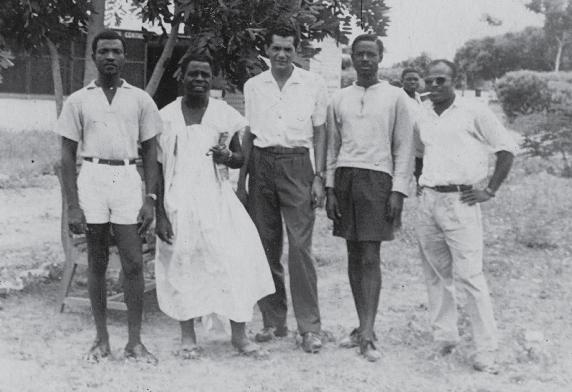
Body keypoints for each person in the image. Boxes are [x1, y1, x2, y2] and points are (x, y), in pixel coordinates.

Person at [154, 52, 275, 359]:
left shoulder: (222, 114)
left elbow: (238, 158)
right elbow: (155, 168)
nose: (199, 80)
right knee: (183, 263)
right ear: (182, 76)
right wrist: (160, 214)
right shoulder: (165, 116)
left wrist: (228, 158)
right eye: (193, 74)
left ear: (212, 79)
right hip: (178, 199)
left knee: (233, 261)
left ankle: (239, 335)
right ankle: (187, 336)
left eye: (205, 75)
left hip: (217, 200)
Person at [56, 30, 162, 364]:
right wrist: (73, 205)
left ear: (125, 56)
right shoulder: (78, 100)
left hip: (128, 177)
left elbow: (151, 152)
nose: (111, 57)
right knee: (97, 263)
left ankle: (134, 342)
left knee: (133, 262)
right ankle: (101, 339)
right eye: (104, 51)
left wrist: (151, 198)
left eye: (116, 51)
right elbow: (66, 157)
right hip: (93, 178)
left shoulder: (141, 99)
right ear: (94, 56)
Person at [415, 59, 517, 373]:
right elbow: (422, 154)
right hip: (429, 199)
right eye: (430, 81)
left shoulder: (475, 111)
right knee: (435, 273)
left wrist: (491, 189)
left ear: (455, 80)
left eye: (441, 81)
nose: (433, 87)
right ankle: (445, 337)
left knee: (470, 276)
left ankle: (486, 349)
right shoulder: (424, 114)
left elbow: (506, 149)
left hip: (462, 200)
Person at [237, 24, 328, 353]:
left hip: (297, 165)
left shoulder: (313, 84)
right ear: (267, 49)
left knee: (300, 248)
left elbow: (320, 133)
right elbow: (249, 133)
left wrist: (320, 176)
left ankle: (309, 327)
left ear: (297, 49)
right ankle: (273, 320)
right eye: (276, 48)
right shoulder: (253, 86)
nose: (281, 55)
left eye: (288, 49)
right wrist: (241, 181)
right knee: (265, 245)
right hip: (261, 164)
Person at [325, 34, 415, 362]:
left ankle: (368, 331)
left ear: (380, 57)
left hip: (378, 179)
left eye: (370, 54)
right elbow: (332, 148)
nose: (364, 60)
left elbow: (404, 147)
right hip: (347, 177)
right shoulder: (339, 98)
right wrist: (331, 189)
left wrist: (398, 191)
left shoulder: (396, 97)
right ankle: (362, 327)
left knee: (370, 256)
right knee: (352, 254)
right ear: (351, 57)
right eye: (359, 54)